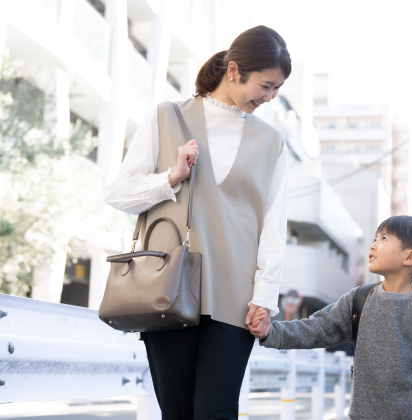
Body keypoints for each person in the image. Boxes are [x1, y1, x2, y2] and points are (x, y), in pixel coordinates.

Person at [102, 25, 291, 419]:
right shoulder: (166, 117)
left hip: (237, 298)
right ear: (235, 70)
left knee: (216, 410)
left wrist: (265, 298)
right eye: (266, 86)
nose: (270, 98)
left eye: (277, 90)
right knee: (176, 410)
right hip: (167, 289)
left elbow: (274, 226)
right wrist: (171, 177)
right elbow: (119, 193)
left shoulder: (272, 142)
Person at [250, 215, 412, 420]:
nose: (373, 245)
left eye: (384, 239)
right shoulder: (359, 299)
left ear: (410, 257)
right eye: (375, 238)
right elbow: (317, 328)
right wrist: (271, 331)